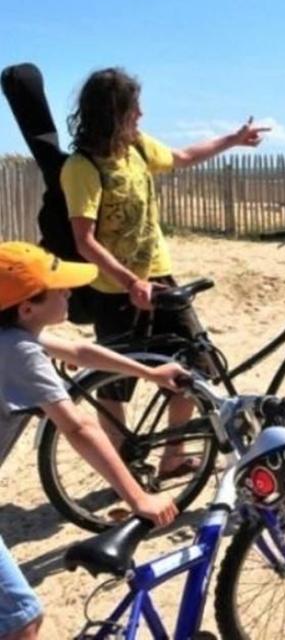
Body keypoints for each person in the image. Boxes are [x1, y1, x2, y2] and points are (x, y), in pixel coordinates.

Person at [59, 67, 268, 478]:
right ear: (111, 112)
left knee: (195, 364)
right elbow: (85, 240)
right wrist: (129, 282)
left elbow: (183, 157)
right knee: (115, 379)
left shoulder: (136, 148)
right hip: (114, 290)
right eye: (132, 107)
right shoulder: (82, 167)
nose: (140, 114)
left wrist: (233, 139)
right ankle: (122, 462)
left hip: (161, 278)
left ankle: (174, 454)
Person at [0, 242, 183, 640]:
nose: (69, 291)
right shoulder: (17, 351)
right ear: (27, 308)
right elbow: (78, 426)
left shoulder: (11, 336)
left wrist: (149, 373)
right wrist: (139, 499)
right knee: (21, 620)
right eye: (59, 287)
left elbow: (80, 351)